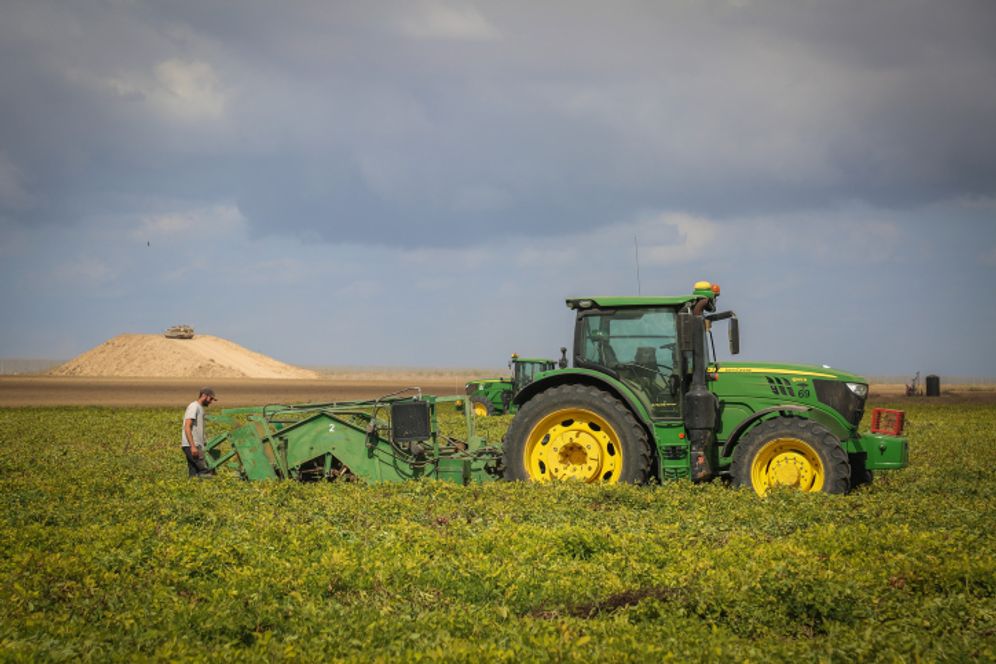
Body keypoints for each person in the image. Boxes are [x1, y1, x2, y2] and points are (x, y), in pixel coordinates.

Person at [182, 387, 217, 477]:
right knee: (206, 472)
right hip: (193, 445)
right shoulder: (194, 406)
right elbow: (187, 426)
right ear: (204, 395)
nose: (211, 402)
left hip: (195, 445)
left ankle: (192, 484)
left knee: (194, 473)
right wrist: (193, 446)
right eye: (210, 399)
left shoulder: (200, 408)